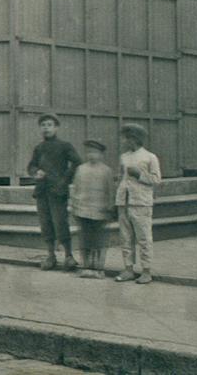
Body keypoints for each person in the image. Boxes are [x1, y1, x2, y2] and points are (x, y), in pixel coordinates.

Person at [27, 112, 81, 271]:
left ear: (56, 127)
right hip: (42, 191)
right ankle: (50, 256)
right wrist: (36, 172)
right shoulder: (39, 148)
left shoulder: (65, 146)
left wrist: (64, 180)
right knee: (45, 224)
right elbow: (31, 166)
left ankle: (69, 256)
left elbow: (77, 163)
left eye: (49, 125)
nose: (46, 128)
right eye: (43, 125)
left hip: (58, 191)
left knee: (60, 222)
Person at [114, 122, 161, 284]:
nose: (123, 142)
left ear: (133, 138)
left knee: (143, 238)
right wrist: (117, 197)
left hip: (141, 203)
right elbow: (120, 178)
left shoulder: (150, 157)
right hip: (124, 202)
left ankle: (146, 271)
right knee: (125, 237)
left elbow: (156, 179)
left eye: (125, 138)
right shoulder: (124, 157)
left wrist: (139, 174)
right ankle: (128, 269)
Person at [70, 139, 116, 279]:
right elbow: (76, 189)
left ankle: (99, 267)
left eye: (95, 152)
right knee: (85, 239)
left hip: (100, 211)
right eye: (89, 152)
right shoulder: (81, 169)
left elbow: (110, 191)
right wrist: (75, 206)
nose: (92, 155)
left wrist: (110, 207)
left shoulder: (106, 171)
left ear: (101, 154)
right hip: (83, 210)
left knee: (99, 240)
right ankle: (86, 266)